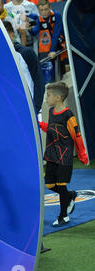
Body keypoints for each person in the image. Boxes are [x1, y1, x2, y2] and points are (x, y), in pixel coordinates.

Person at [38, 82, 88, 227]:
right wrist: (41, 125)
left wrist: (82, 155)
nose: (46, 99)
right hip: (51, 155)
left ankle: (63, 216)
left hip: (64, 157)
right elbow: (53, 129)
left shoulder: (68, 115)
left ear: (58, 97)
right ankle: (70, 195)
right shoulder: (52, 112)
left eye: (48, 96)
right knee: (50, 185)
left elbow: (76, 135)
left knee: (61, 185)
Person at [4, 20, 45, 114]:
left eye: (5, 36)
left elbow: (39, 80)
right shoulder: (1, 60)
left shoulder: (26, 53)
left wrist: (36, 107)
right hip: (14, 111)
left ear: (12, 35)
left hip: (33, 109)